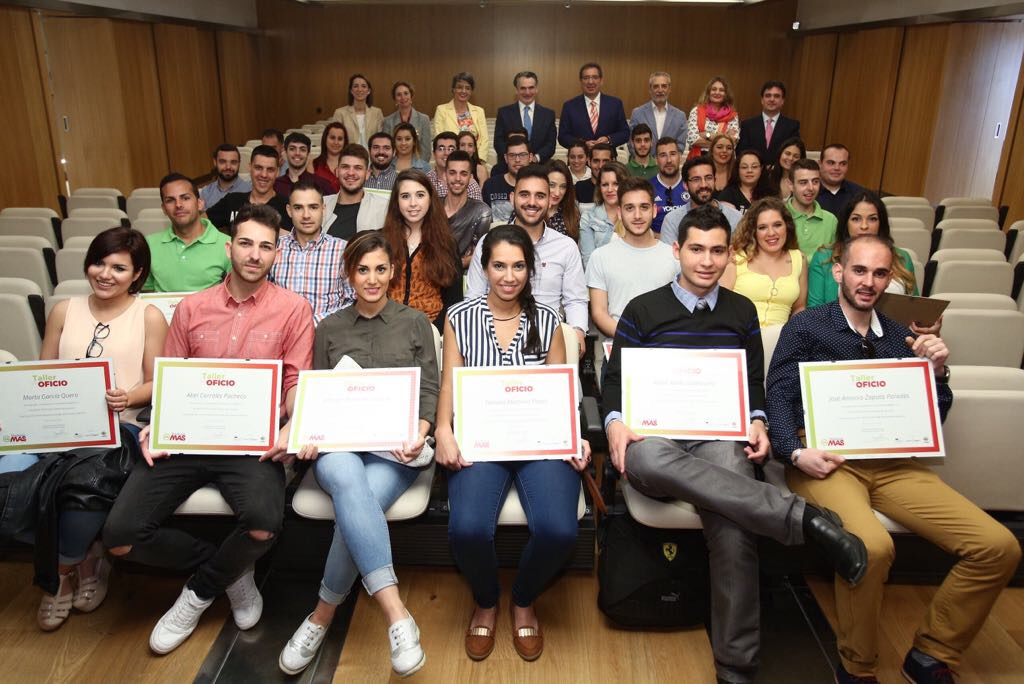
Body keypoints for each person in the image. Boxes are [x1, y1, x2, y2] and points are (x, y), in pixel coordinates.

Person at [602, 204, 867, 684]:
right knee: (647, 455)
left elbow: (753, 381)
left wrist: (759, 419)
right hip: (656, 437)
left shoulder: (740, 311)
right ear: (677, 251)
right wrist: (616, 421)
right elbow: (614, 379)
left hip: (719, 435)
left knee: (734, 527)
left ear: (730, 255)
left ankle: (736, 668)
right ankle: (799, 518)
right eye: (696, 249)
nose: (706, 261)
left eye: (717, 251)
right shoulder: (643, 309)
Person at [765, 234, 1020, 684]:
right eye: (859, 270)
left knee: (997, 547)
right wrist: (796, 451)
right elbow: (779, 396)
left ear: (891, 279)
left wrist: (937, 373)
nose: (869, 282)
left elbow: (933, 417)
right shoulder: (806, 327)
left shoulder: (905, 335)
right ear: (840, 271)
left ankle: (931, 653)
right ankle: (857, 666)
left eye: (880, 273)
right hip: (827, 459)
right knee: (872, 546)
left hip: (893, 463)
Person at [103, 203, 314, 655]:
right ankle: (232, 573)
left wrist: (290, 425)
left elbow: (296, 381)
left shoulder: (294, 309)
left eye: (265, 246)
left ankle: (195, 595)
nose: (254, 255)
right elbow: (171, 377)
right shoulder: (192, 308)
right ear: (229, 246)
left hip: (252, 442)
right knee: (120, 538)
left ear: (277, 254)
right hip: (187, 438)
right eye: (245, 243)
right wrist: (156, 425)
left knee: (262, 525)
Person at [276, 231, 436, 678]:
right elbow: (316, 393)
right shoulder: (329, 326)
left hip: (394, 451)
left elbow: (429, 388)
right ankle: (397, 614)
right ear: (349, 275)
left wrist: (420, 433)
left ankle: (320, 616)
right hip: (339, 449)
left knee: (356, 504)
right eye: (362, 270)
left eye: (381, 269)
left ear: (393, 272)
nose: (372, 279)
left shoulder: (416, 322)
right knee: (348, 478)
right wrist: (308, 430)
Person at [436, 225, 592, 663]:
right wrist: (444, 432)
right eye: (499, 265)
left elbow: (560, 391)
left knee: (561, 530)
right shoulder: (458, 317)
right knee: (466, 528)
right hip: (480, 441)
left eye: (519, 266)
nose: (509, 276)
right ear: (483, 268)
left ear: (532, 269)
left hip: (538, 440)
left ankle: (523, 597)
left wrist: (574, 437)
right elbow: (449, 382)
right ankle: (486, 599)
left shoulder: (549, 319)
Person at [10, 227, 167, 631]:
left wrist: (128, 397)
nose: (105, 273)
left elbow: (155, 382)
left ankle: (58, 576)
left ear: (137, 274)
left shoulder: (148, 315)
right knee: (10, 475)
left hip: (118, 429)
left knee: (85, 485)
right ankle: (88, 558)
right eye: (99, 262)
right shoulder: (63, 309)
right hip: (58, 425)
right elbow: (44, 372)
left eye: (119, 267)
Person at [467, 165, 588, 355]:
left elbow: (575, 300)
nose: (532, 202)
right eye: (524, 194)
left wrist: (578, 332)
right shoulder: (488, 243)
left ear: (549, 201)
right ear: (512, 198)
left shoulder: (566, 247)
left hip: (550, 340)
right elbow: (474, 296)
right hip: (494, 340)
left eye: (540, 196)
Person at [587, 176, 677, 339]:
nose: (637, 215)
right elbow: (599, 313)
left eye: (644, 207)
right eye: (629, 208)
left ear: (654, 210)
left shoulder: (674, 256)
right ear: (620, 213)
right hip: (619, 347)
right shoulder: (600, 256)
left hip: (665, 347)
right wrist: (632, 338)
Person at [807, 191, 918, 309]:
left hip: (894, 326)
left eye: (872, 219)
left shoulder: (902, 257)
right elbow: (814, 311)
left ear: (881, 223)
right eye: (856, 219)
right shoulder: (824, 257)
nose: (864, 226)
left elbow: (916, 309)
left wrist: (921, 326)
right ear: (846, 223)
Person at [382, 169, 462, 329]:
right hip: (386, 328)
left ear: (430, 199)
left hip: (431, 331)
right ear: (396, 202)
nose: (413, 203)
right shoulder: (382, 241)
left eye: (420, 195)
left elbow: (454, 302)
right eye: (405, 196)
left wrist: (432, 331)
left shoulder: (446, 244)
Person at [270, 181, 355, 324]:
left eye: (313, 207)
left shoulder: (343, 250)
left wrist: (313, 322)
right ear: (289, 210)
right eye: (298, 208)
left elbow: (354, 300)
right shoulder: (274, 248)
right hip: (281, 336)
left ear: (323, 209)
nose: (306, 215)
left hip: (327, 337)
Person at [721, 197, 807, 327]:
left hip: (782, 340)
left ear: (787, 226)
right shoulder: (736, 258)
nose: (771, 233)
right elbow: (721, 304)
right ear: (753, 232)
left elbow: (799, 308)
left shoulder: (799, 259)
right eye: (762, 227)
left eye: (777, 225)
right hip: (742, 335)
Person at [145, 172, 230, 292]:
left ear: (200, 204)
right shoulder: (149, 245)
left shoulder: (227, 245)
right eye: (170, 200)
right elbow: (145, 293)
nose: (178, 205)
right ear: (164, 209)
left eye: (185, 198)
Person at [659, 156, 743, 246]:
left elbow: (740, 257)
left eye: (708, 178)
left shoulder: (735, 218)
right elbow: (669, 258)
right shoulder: (672, 220)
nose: (703, 184)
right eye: (696, 179)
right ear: (685, 185)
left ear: (715, 180)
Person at [207, 145, 290, 232]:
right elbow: (203, 223)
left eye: (270, 170)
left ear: (277, 172)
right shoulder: (232, 201)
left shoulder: (287, 207)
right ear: (250, 167)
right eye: (258, 168)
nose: (264, 175)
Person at [323, 144, 390, 240]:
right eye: (345, 167)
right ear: (337, 171)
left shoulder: (383, 208)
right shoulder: (321, 205)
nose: (351, 173)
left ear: (367, 174)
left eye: (358, 168)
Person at [557, 62, 629, 150]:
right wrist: (583, 144)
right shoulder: (569, 106)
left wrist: (608, 139)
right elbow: (563, 137)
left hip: (607, 159)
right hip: (579, 160)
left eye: (595, 77)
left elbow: (625, 133)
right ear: (580, 81)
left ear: (601, 80)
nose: (590, 82)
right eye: (586, 78)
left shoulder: (615, 104)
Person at [493, 71, 557, 166]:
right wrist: (513, 159)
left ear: (536, 89)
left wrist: (535, 159)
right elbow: (498, 143)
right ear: (516, 90)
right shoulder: (504, 113)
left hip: (539, 167)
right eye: (523, 88)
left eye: (531, 88)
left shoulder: (548, 114)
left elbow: (550, 145)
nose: (527, 92)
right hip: (510, 167)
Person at [444, 150, 492, 268]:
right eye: (452, 173)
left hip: (465, 277)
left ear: (470, 177)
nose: (458, 178)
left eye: (463, 173)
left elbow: (480, 253)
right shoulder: (432, 207)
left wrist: (445, 267)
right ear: (445, 175)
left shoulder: (481, 211)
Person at [786, 158, 838, 259]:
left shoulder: (830, 220)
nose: (811, 188)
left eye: (815, 182)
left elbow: (835, 259)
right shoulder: (778, 216)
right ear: (791, 185)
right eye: (803, 182)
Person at [738, 80, 801, 163]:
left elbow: (794, 153)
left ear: (782, 101)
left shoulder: (792, 126)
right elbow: (741, 153)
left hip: (779, 173)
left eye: (776, 96)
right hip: (753, 172)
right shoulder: (747, 125)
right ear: (762, 100)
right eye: (768, 96)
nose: (772, 99)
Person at [579, 160, 628, 268]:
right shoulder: (588, 217)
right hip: (600, 280)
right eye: (605, 185)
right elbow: (589, 261)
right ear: (599, 188)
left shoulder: (635, 215)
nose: (610, 189)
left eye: (616, 184)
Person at [433, 72, 489, 160]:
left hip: (475, 160)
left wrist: (479, 161)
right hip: (450, 160)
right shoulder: (441, 110)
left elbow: (484, 140)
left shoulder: (479, 111)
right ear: (453, 89)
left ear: (471, 91)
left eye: (467, 88)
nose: (463, 91)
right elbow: (439, 139)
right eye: (459, 87)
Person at [629, 71, 688, 153]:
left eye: (664, 86)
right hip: (644, 164)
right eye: (656, 86)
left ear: (669, 89)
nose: (660, 90)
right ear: (650, 89)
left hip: (669, 164)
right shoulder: (638, 113)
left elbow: (680, 146)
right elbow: (631, 143)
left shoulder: (680, 116)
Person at [685, 76, 740, 158]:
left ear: (726, 94)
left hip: (724, 159)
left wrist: (706, 134)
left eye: (721, 90)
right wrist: (722, 141)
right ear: (708, 92)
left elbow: (732, 141)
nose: (717, 92)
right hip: (699, 158)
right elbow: (692, 139)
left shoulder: (732, 115)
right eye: (714, 89)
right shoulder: (696, 111)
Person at [482, 135, 531, 224]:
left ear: (530, 157)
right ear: (505, 158)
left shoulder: (537, 187)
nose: (517, 160)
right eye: (512, 155)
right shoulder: (491, 185)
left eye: (522, 155)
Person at [274, 132, 335, 198]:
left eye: (302, 149)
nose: (297, 153)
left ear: (308, 155)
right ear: (285, 153)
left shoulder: (323, 185)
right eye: (292, 149)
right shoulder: (276, 185)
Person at [382, 81, 432, 161]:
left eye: (406, 93)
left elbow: (426, 150)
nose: (403, 97)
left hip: (418, 167)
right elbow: (386, 149)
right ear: (395, 99)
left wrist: (417, 168)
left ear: (411, 95)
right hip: (394, 166)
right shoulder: (388, 121)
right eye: (399, 95)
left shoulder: (423, 119)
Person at [332, 74, 384, 149]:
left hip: (372, 157)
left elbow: (380, 140)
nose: (359, 89)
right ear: (351, 91)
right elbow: (336, 139)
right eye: (356, 86)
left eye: (363, 86)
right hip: (349, 156)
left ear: (369, 91)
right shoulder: (340, 113)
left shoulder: (377, 113)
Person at [650, 137, 689, 234]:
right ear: (656, 160)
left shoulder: (691, 185)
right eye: (663, 155)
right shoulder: (647, 188)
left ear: (680, 156)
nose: (669, 160)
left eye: (673, 154)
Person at [427, 132, 482, 201]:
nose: (446, 153)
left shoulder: (470, 184)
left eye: (451, 149)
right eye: (441, 149)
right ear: (434, 153)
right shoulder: (426, 181)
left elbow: (478, 210)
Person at [816, 144, 865, 217]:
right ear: (820, 164)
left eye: (843, 164)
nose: (837, 168)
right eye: (831, 163)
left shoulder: (860, 194)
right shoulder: (808, 192)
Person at [200, 144, 251, 210]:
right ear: (215, 162)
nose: (228, 167)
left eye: (233, 162)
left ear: (239, 163)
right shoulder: (206, 193)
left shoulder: (250, 190)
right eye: (223, 162)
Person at [545, 159, 581, 242]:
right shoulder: (530, 210)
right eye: (552, 185)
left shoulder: (573, 214)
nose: (557, 193)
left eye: (563, 186)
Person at [311, 122, 348, 195]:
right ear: (325, 139)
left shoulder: (350, 166)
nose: (336, 142)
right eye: (332, 138)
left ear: (344, 142)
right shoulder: (313, 164)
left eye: (340, 139)